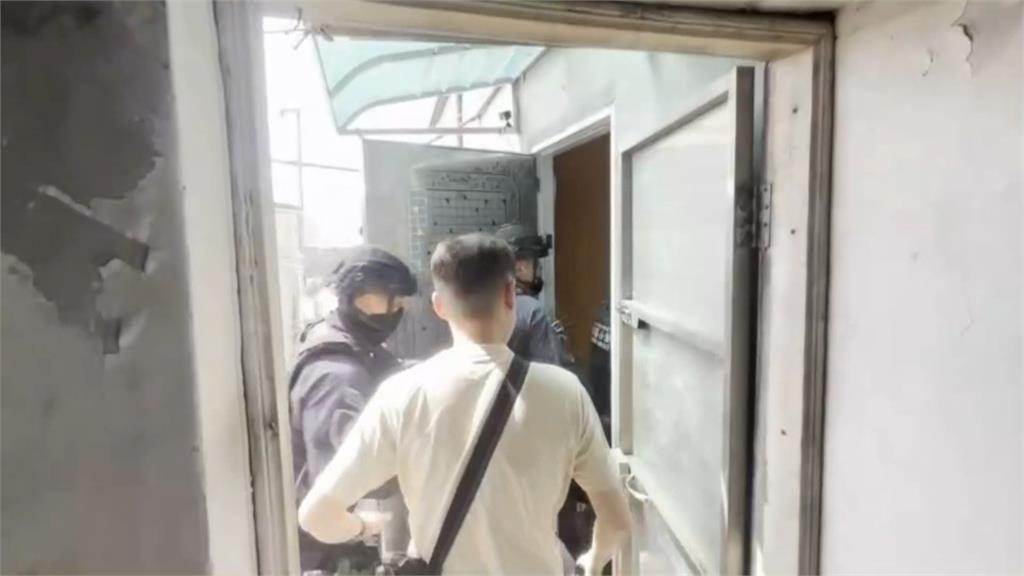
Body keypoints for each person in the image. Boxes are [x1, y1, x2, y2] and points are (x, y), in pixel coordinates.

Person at [298, 233, 632, 575]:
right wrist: (591, 563)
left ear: (439, 306)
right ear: (510, 294)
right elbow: (617, 522)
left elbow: (316, 516)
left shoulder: (401, 394)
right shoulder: (565, 393)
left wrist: (364, 527)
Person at [289, 245, 417, 574]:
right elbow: (346, 470)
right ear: (358, 298)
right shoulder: (337, 374)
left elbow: (391, 368)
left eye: (401, 301)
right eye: (389, 299)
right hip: (324, 553)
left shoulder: (345, 343)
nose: (398, 309)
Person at [495, 223, 576, 371]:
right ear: (520, 268)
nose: (539, 269)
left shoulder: (485, 306)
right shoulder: (533, 312)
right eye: (536, 262)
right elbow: (554, 373)